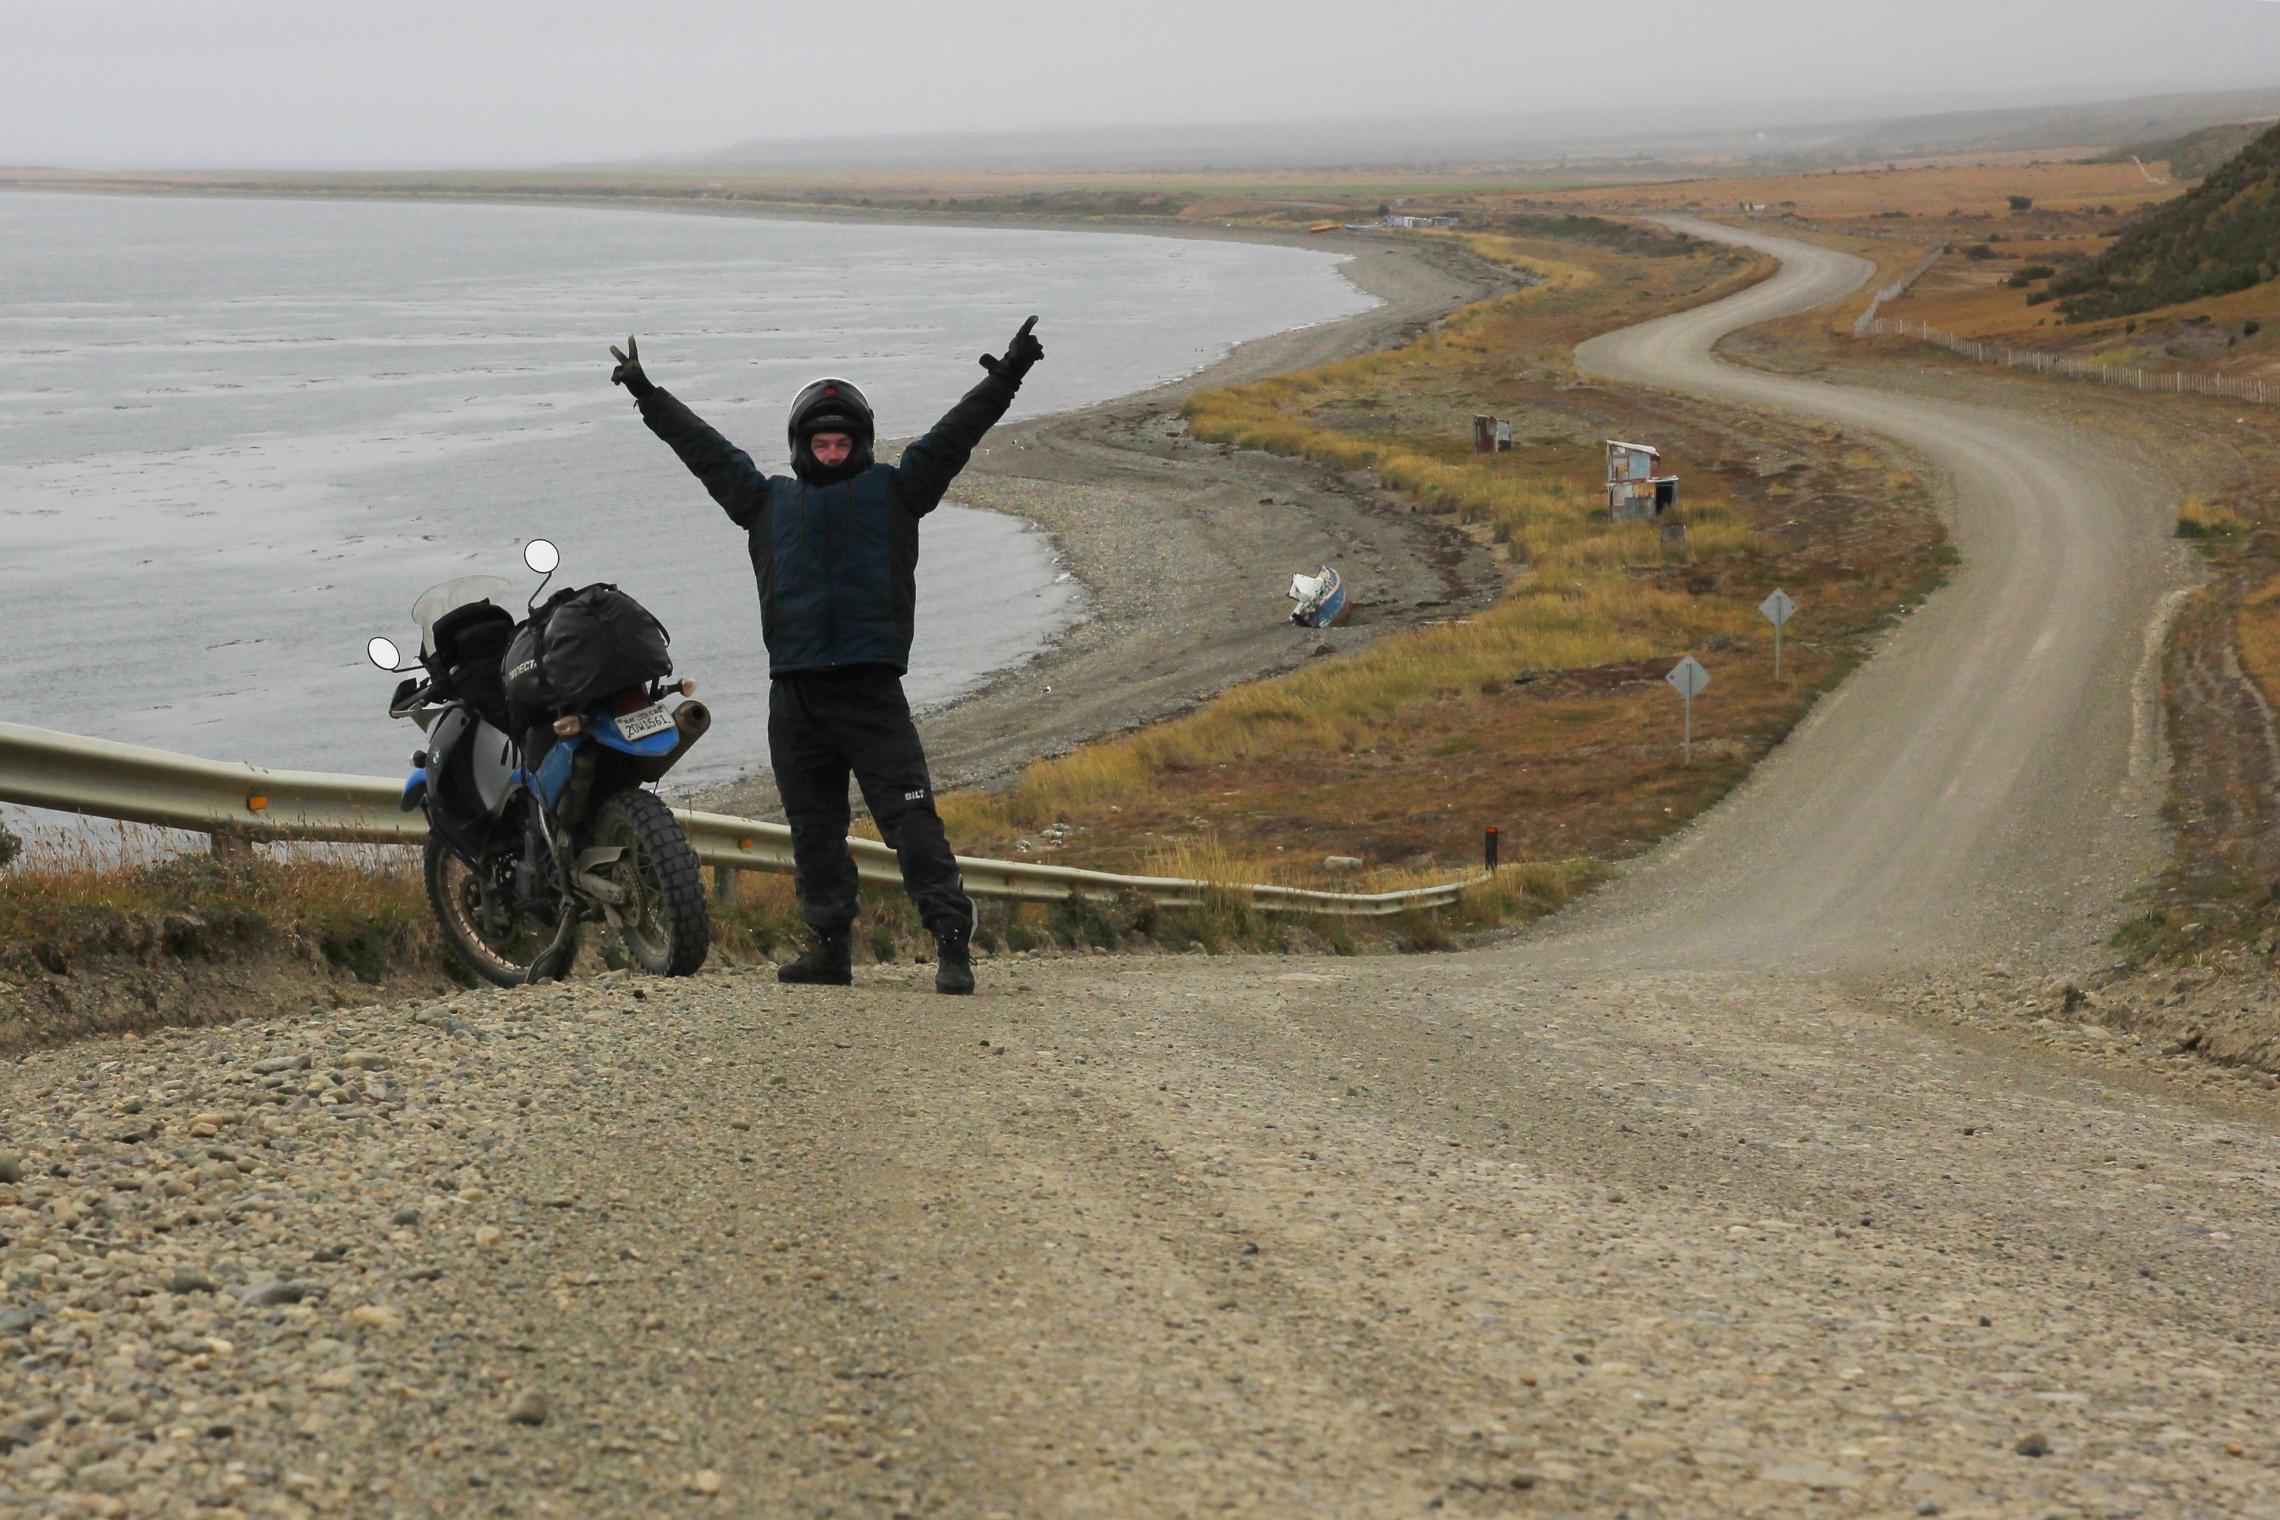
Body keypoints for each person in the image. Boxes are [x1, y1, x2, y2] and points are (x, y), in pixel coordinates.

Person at [607, 317, 1045, 994]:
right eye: (822, 441)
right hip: (797, 696)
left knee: (912, 823)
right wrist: (648, 395)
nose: (833, 450)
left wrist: (1007, 376)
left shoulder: (900, 490)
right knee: (813, 830)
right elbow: (708, 452)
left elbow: (957, 433)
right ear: (802, 445)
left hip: (872, 694)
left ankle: (953, 946)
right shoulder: (765, 504)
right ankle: (829, 948)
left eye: (843, 441)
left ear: (861, 443)